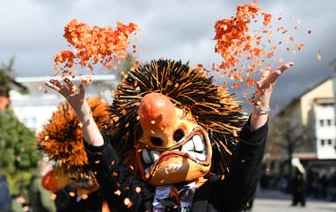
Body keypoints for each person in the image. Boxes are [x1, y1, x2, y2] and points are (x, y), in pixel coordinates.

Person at [45, 59, 293, 212]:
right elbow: (108, 170)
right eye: (155, 143)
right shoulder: (141, 199)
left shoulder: (218, 194)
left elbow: (246, 165)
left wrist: (260, 109)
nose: (169, 148)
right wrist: (86, 118)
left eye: (177, 136)